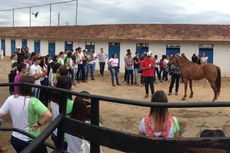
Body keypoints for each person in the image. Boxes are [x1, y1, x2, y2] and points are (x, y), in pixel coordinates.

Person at [0, 75, 52, 153]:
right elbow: (48, 115)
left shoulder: (10, 98)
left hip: (15, 138)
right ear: (31, 87)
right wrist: (38, 123)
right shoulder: (34, 101)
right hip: (30, 139)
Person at [51, 75, 74, 150]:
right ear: (68, 87)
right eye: (71, 84)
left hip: (54, 132)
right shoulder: (70, 103)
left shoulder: (53, 99)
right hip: (64, 137)